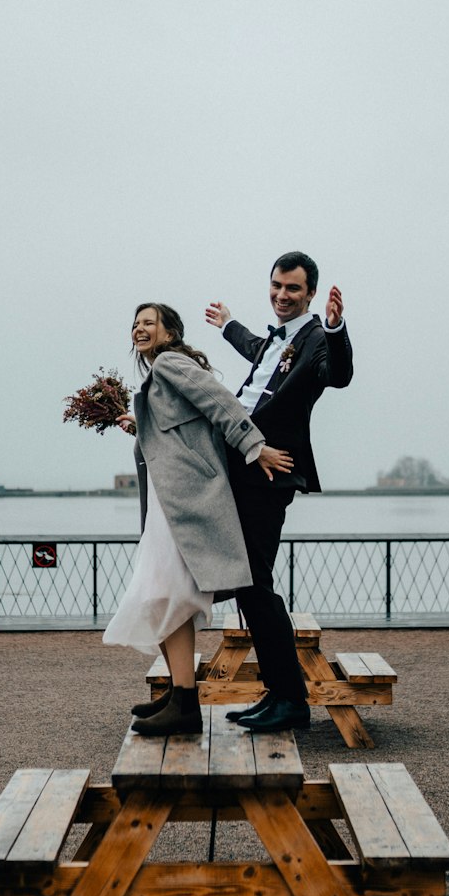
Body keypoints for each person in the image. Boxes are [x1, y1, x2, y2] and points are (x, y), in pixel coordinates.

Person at [103, 302, 294, 736]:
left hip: (183, 502)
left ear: (170, 333)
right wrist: (141, 425)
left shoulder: (170, 362)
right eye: (135, 324)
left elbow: (218, 402)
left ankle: (185, 702)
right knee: (160, 592)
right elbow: (185, 431)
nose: (139, 328)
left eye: (149, 323)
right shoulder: (158, 377)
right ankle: (178, 694)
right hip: (169, 502)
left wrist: (253, 445)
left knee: (166, 591)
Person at [204, 252, 353, 732]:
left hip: (269, 472)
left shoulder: (314, 340)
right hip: (237, 465)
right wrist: (228, 324)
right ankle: (279, 694)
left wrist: (335, 327)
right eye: (275, 286)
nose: (281, 296)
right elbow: (256, 349)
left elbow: (339, 375)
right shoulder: (276, 340)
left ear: (310, 293)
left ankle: (290, 699)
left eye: (292, 289)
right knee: (248, 584)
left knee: (254, 583)